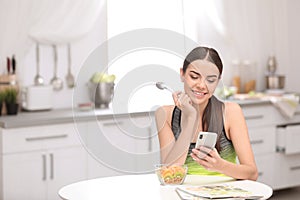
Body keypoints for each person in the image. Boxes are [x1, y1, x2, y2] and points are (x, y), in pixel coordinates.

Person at [155, 46, 258, 180]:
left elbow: (252, 173)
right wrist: (190, 119)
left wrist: (220, 166)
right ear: (182, 74)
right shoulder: (164, 114)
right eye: (194, 77)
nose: (202, 85)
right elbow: (170, 174)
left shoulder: (231, 112)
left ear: (218, 81)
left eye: (210, 80)